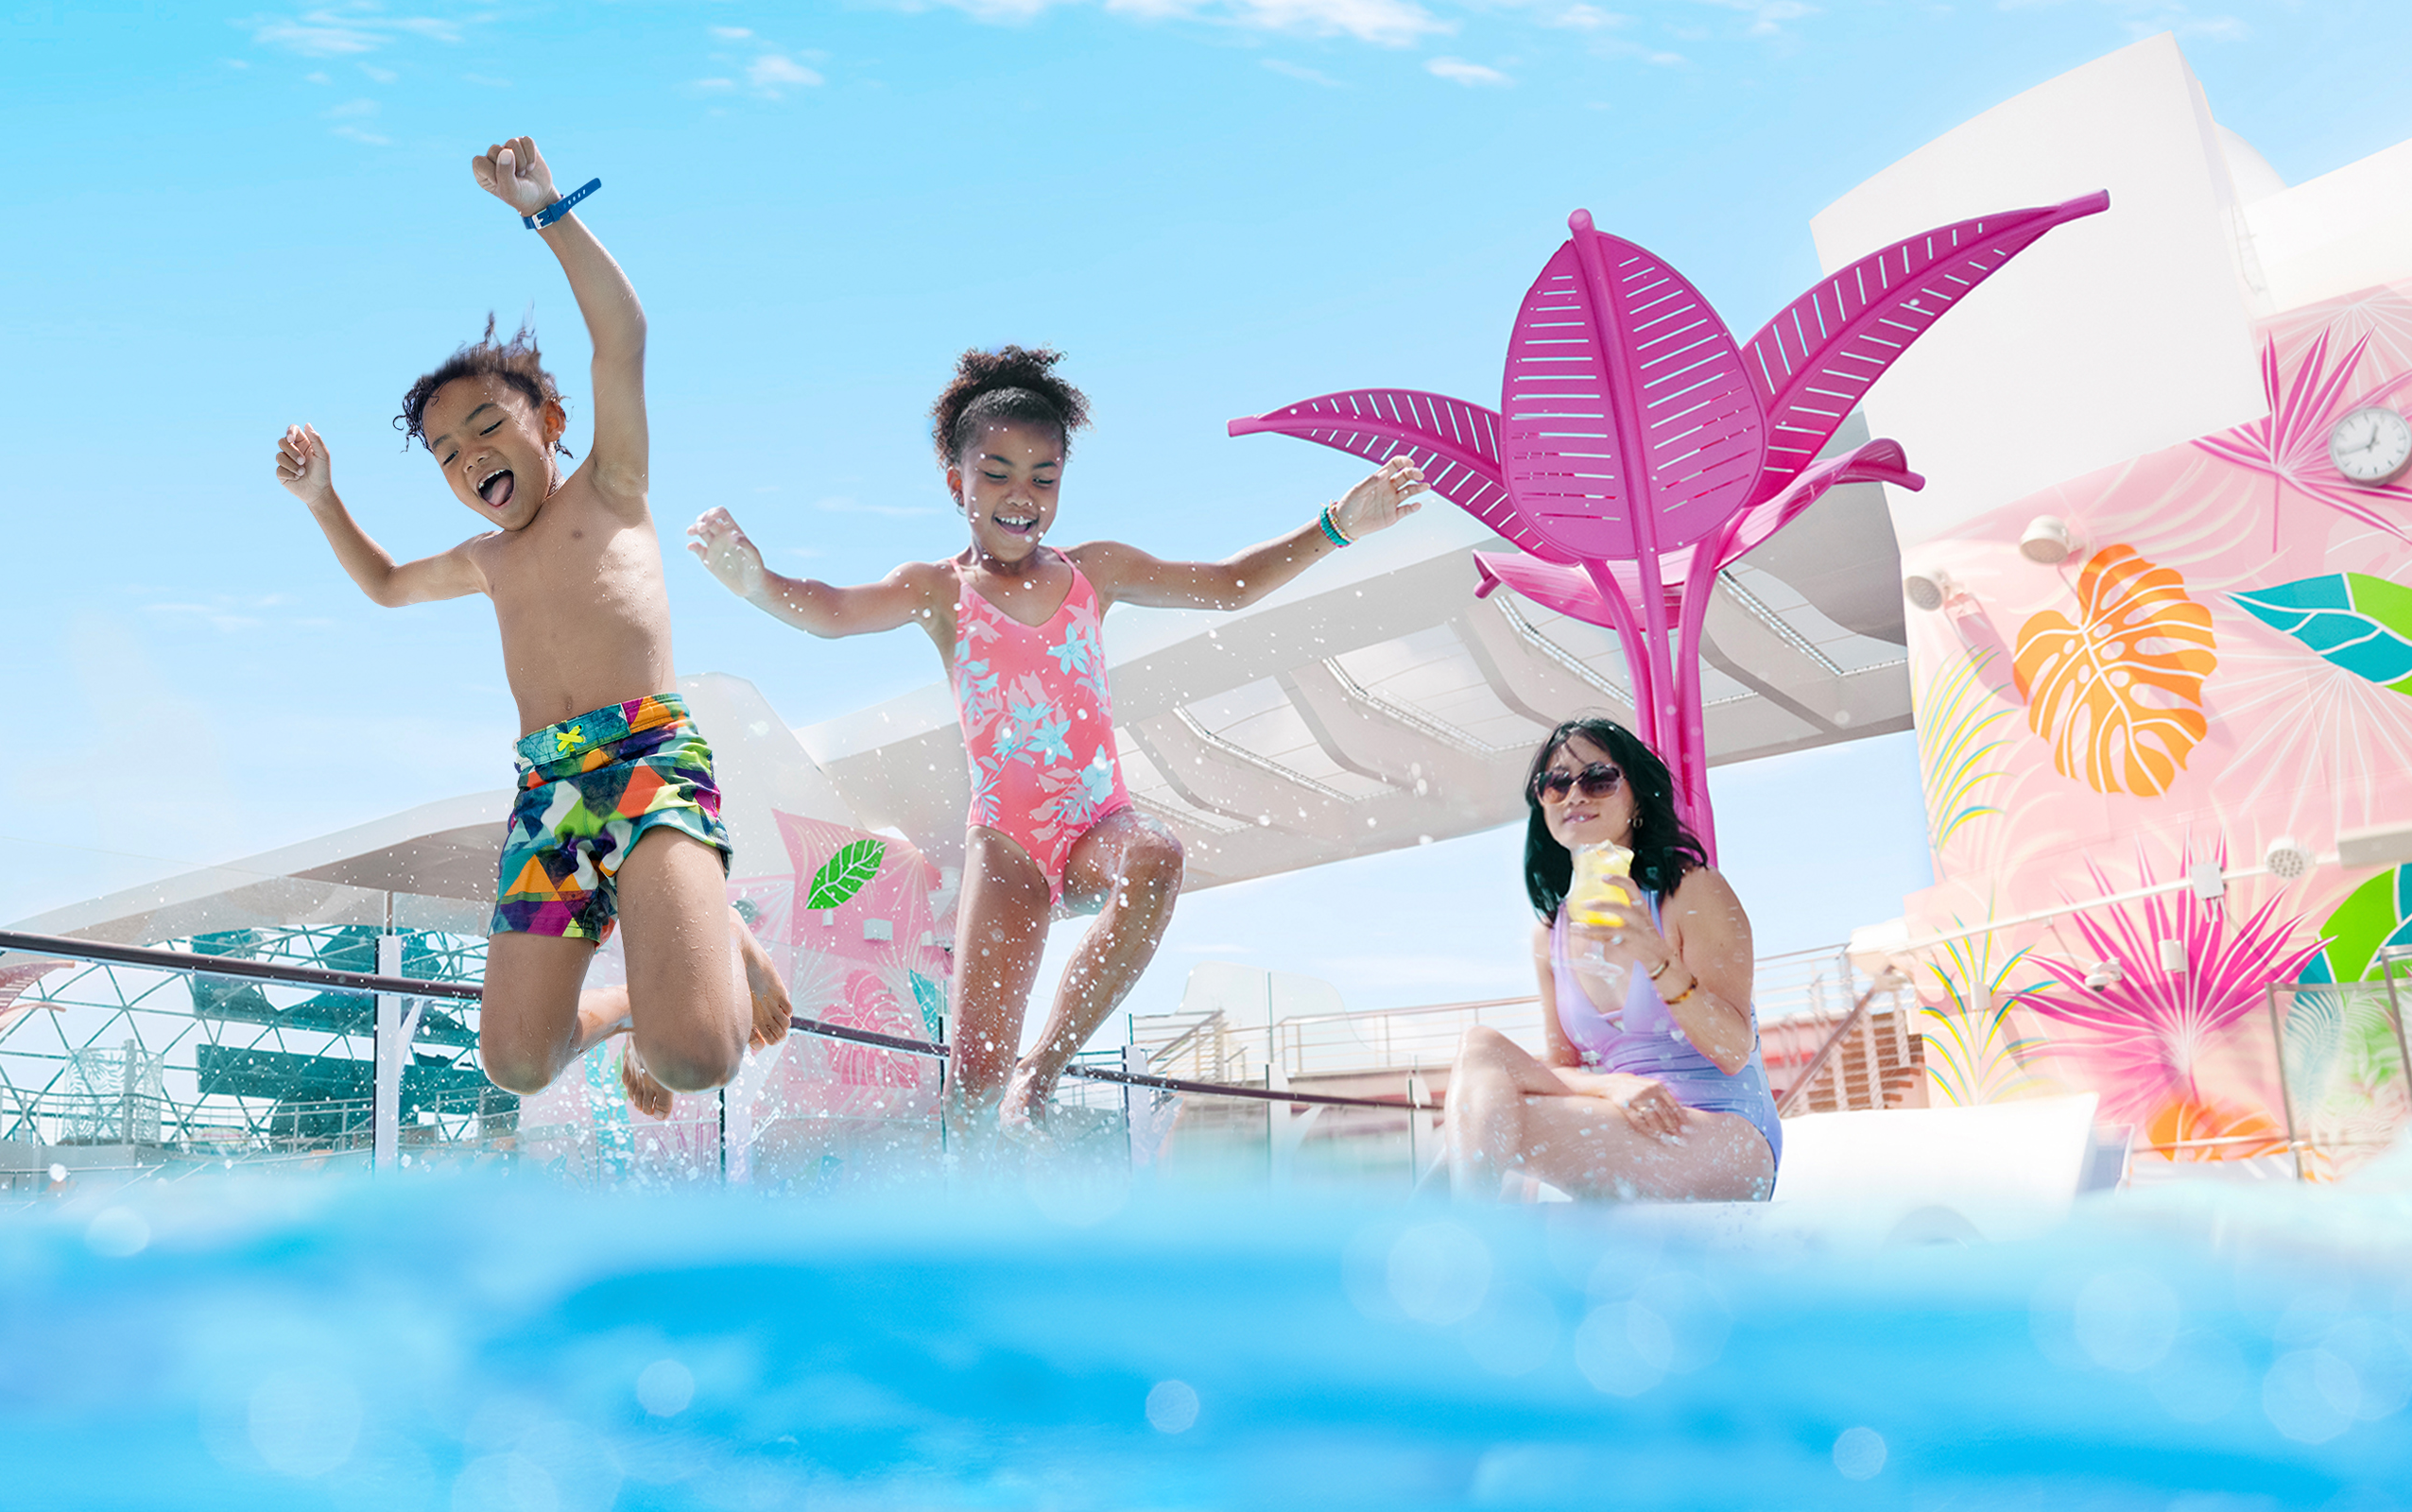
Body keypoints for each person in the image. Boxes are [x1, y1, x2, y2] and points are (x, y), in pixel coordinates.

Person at [687, 346, 1422, 1130]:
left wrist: (1339, 526)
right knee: (971, 1086)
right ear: (955, 483)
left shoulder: (1093, 572)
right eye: (997, 473)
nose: (1021, 496)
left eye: (1044, 477)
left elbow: (1228, 585)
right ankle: (977, 1183)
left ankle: (1044, 1067)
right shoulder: (937, 590)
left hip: (1096, 825)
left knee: (1158, 857)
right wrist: (757, 583)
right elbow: (833, 609)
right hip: (1005, 848)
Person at [269, 136, 786, 1118]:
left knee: (696, 1061)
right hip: (548, 790)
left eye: (488, 428)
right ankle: (635, 995)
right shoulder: (487, 559)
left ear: (550, 417)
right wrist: (322, 499)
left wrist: (544, 209)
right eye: (446, 453)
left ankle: (705, 944)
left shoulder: (613, 487)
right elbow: (381, 583)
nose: (469, 459)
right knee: (515, 1058)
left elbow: (622, 335)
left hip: (646, 765)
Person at [1444, 718, 1779, 1200]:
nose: (1574, 796)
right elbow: (1561, 1071)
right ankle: (1468, 1248)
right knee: (1481, 1049)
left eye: (1598, 779)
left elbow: (1732, 1050)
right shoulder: (1549, 937)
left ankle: (1463, 1251)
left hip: (1727, 1133)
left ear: (1637, 800)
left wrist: (1654, 953)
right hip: (1626, 1120)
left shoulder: (1692, 891)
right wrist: (1613, 1088)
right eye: (1555, 784)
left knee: (1492, 1121)